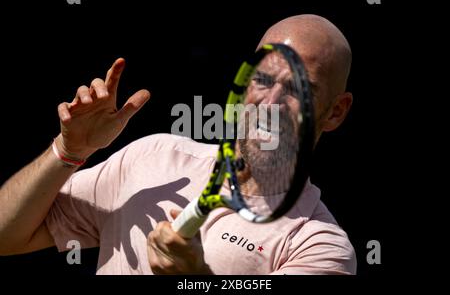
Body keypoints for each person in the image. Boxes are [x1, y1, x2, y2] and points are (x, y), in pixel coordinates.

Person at [0, 14, 356, 274]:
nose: (270, 103)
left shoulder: (319, 246)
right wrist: (67, 152)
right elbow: (6, 236)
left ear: (335, 112)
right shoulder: (154, 157)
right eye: (262, 79)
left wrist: (195, 278)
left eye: (298, 89)